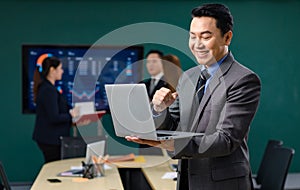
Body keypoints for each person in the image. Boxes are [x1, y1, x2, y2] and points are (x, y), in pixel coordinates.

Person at [126, 3, 261, 190]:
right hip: (186, 180)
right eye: (192, 37)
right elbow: (173, 123)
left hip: (223, 184)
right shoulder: (189, 76)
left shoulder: (243, 80)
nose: (197, 44)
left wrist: (171, 144)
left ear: (227, 37)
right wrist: (158, 110)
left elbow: (226, 140)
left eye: (206, 37)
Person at [32, 56, 78, 163]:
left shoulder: (47, 88)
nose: (62, 71)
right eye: (60, 68)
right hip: (50, 139)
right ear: (52, 70)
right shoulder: (48, 90)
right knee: (53, 167)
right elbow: (54, 117)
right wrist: (71, 115)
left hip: (51, 138)